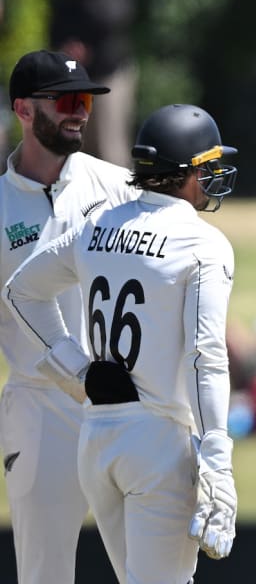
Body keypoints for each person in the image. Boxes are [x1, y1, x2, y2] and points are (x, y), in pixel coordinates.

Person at [4, 103, 240, 583]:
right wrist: (218, 458)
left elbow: (21, 290)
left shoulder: (97, 225)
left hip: (98, 439)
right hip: (158, 442)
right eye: (208, 166)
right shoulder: (202, 242)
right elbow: (206, 358)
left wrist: (76, 370)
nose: (213, 177)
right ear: (186, 173)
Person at [0, 49, 139, 584]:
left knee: (147, 569)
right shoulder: (3, 206)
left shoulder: (119, 187)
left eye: (83, 99)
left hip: (124, 401)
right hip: (38, 409)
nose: (79, 111)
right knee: (44, 573)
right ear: (24, 110)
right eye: (64, 101)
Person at [50, 0, 137, 168]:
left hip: (111, 78)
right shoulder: (70, 0)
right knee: (77, 144)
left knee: (111, 144)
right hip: (77, 80)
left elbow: (108, 21)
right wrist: (67, 48)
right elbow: (57, 32)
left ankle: (121, 198)